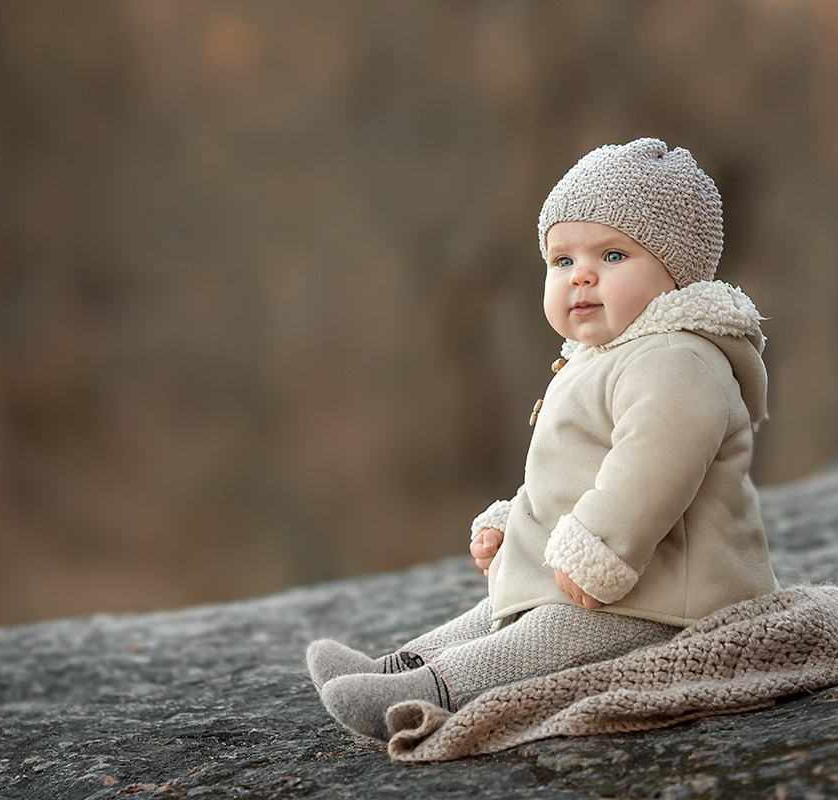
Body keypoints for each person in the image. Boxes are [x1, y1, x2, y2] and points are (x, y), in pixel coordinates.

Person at [305, 138, 778, 740]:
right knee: (492, 614)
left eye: (612, 256)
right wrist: (518, 524)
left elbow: (653, 468)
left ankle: (423, 694)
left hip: (670, 597)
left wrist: (599, 549)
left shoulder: (679, 360)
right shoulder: (602, 356)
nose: (581, 275)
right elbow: (575, 470)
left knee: (537, 642)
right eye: (562, 261)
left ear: (675, 271)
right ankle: (398, 666)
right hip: (612, 584)